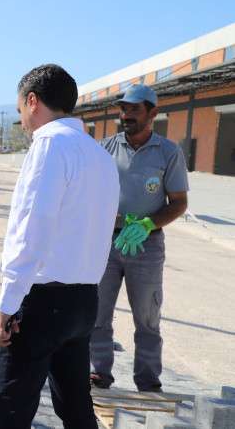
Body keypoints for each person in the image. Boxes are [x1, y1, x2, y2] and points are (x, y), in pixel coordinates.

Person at [0, 64, 119, 429]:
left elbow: (31, 229)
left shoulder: (48, 145)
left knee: (12, 412)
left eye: (20, 110)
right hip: (84, 301)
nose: (22, 120)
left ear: (32, 101)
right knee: (77, 411)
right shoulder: (99, 155)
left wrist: (5, 306)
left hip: (42, 303)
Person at [90, 84, 189, 392]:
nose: (126, 115)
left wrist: (147, 224)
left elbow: (179, 203)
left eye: (134, 109)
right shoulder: (105, 149)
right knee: (97, 312)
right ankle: (98, 372)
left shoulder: (168, 152)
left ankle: (147, 380)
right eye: (124, 109)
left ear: (153, 112)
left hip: (147, 245)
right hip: (106, 242)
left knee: (147, 317)